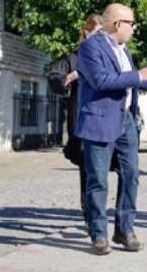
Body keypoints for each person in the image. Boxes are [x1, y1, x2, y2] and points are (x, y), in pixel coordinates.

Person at [75, 3, 147, 255]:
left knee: (131, 175)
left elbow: (135, 82)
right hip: (99, 121)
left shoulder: (124, 50)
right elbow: (101, 80)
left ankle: (124, 230)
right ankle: (98, 234)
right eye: (132, 23)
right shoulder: (90, 47)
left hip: (126, 121)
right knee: (98, 180)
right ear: (118, 24)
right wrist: (139, 75)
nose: (134, 29)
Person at [47, 14, 103, 222]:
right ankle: (90, 212)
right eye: (96, 33)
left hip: (106, 119)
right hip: (82, 118)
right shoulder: (74, 58)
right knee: (87, 167)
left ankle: (104, 213)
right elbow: (55, 77)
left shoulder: (109, 56)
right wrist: (70, 77)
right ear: (87, 33)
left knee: (107, 168)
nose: (100, 38)